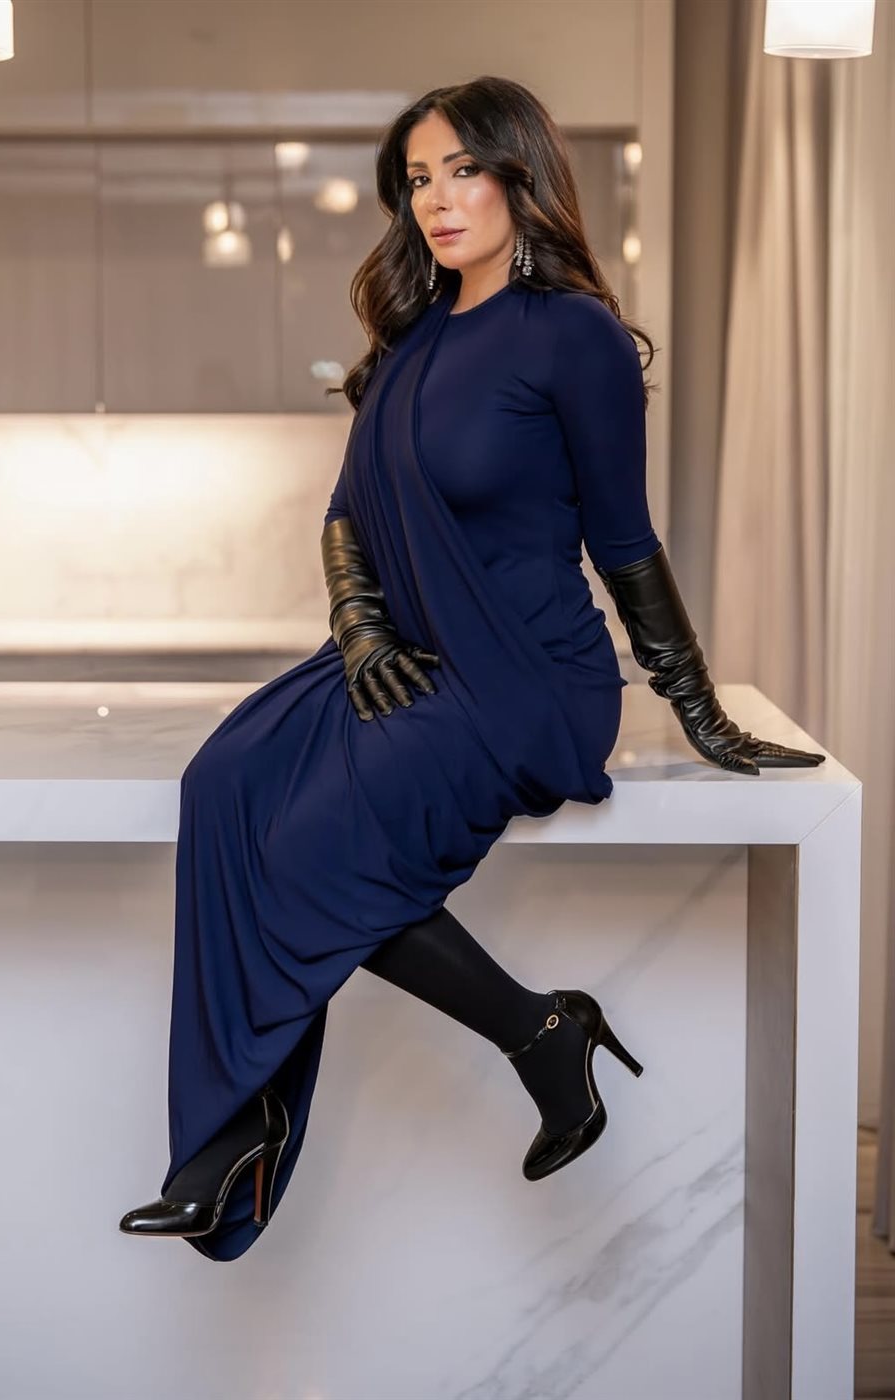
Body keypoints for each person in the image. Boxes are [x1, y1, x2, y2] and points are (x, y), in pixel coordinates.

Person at [119, 75, 824, 1263]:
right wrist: (358, 629)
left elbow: (625, 539)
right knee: (221, 782)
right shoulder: (412, 336)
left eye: (460, 170)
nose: (436, 200)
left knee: (311, 848)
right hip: (405, 657)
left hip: (526, 676)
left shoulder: (573, 335)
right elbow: (345, 513)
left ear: (517, 174)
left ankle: (374, 1086)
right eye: (416, 179)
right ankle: (475, 1056)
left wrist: (696, 707)